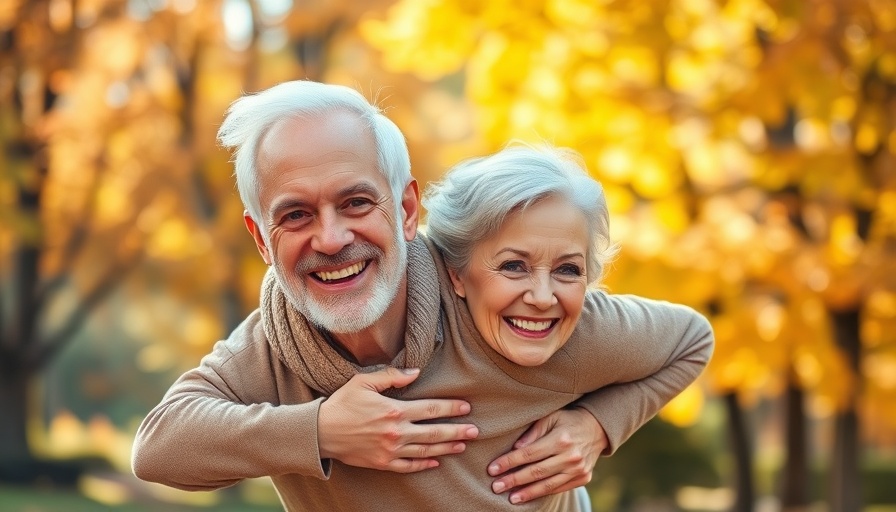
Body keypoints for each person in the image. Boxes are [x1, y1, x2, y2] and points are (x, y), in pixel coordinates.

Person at [131, 80, 713, 511]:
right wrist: (323, 431)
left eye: (357, 202)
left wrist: (598, 426)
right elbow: (160, 446)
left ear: (407, 209)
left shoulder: (505, 304)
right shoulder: (274, 347)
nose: (331, 239)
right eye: (297, 214)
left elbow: (691, 340)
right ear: (261, 237)